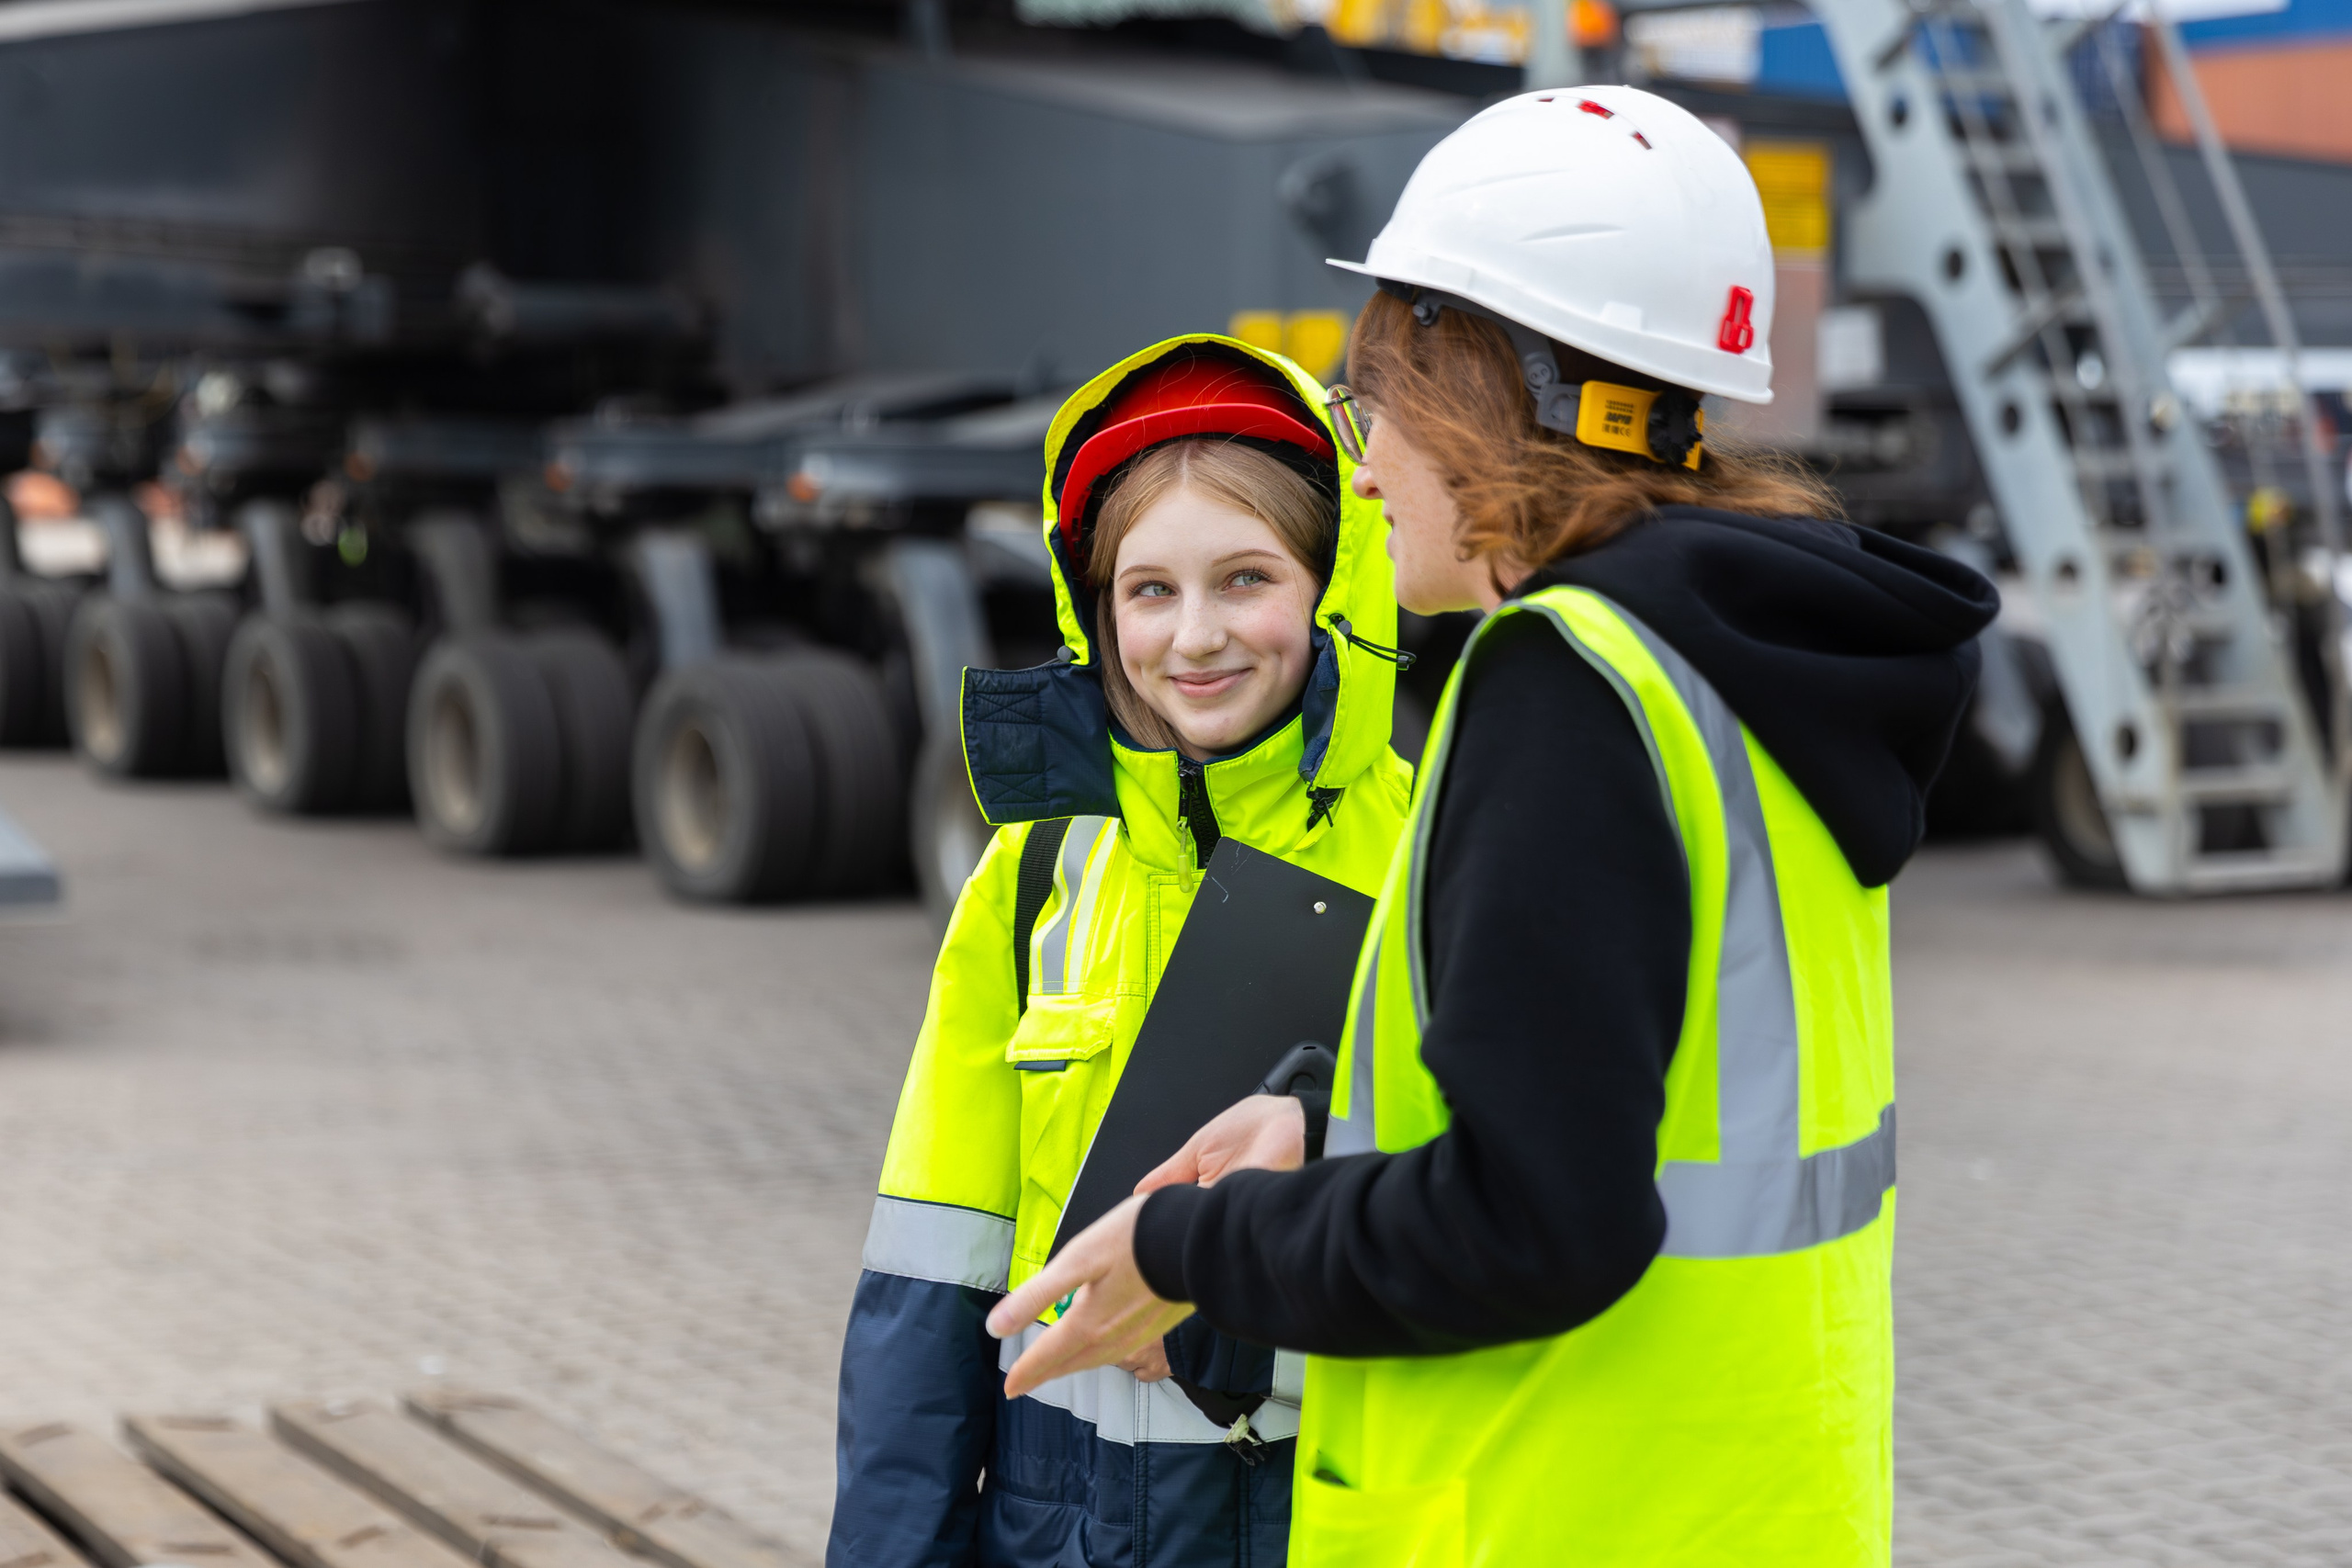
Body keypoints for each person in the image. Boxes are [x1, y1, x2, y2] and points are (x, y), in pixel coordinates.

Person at [987, 86, 2001, 1565]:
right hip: (1744, 1506)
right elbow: (1627, 1090)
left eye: (1379, 402)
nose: (1364, 465)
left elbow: (1532, 1223)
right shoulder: (1744, 669)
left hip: (1559, 1514)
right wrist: (1325, 1134)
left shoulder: (1570, 685)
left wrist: (1186, 1246)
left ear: (1481, 384)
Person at [828, 335, 1416, 1567]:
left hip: (1323, 1522)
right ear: (1095, 612)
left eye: (1245, 578)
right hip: (1066, 1527)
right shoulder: (1034, 872)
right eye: (1149, 590)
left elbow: (1487, 1218)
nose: (1194, 637)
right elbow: (931, 1270)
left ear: (1334, 586)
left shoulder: (1433, 851)